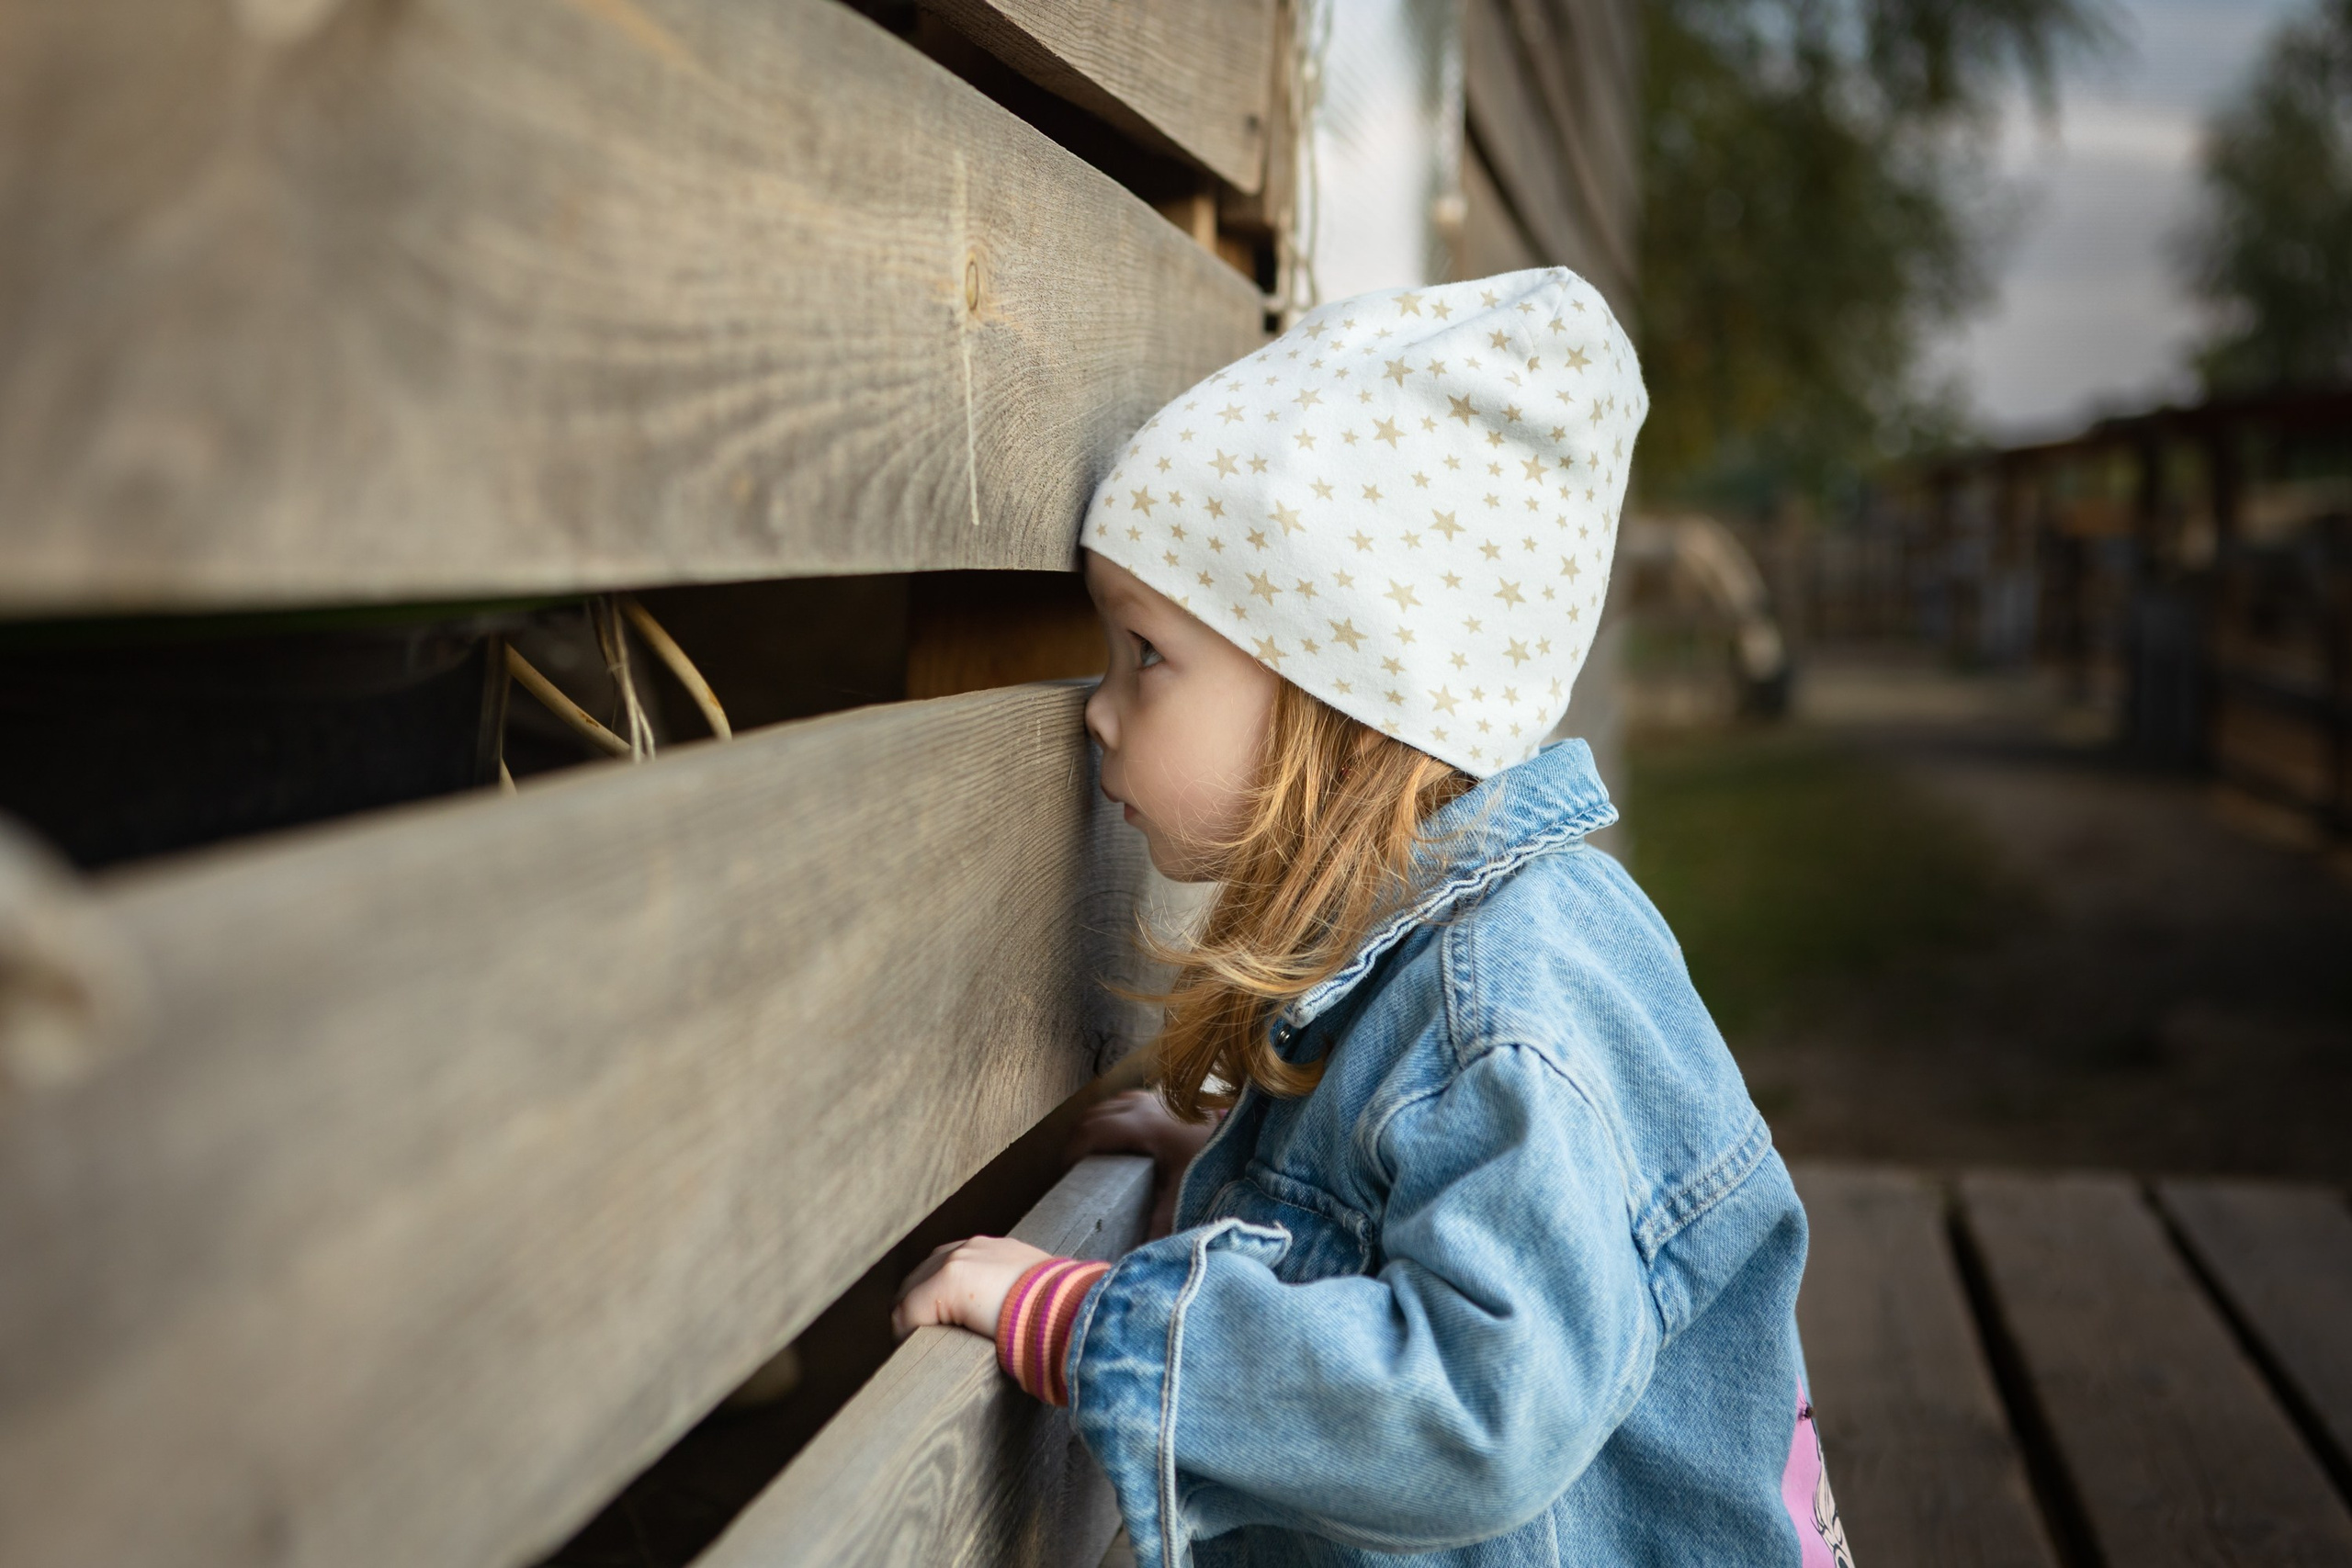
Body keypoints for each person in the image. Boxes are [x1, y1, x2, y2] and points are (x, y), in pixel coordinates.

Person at [892, 268, 1846, 1568]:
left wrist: (1092, 1321)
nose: (1095, 710)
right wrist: (1241, 1165)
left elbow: (1477, 1409)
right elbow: (1412, 1204)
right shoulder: (1462, 955)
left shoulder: (1502, 1008)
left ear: (1332, 692)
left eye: (1144, 653)